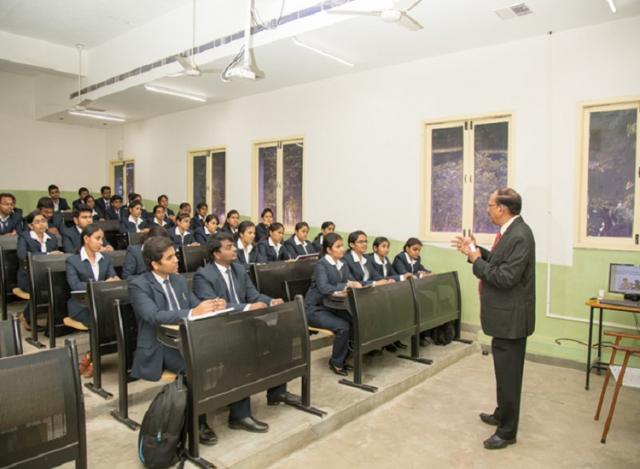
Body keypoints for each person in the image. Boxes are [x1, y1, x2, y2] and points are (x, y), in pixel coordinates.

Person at [451, 187, 535, 450]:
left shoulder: (520, 235)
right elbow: (499, 261)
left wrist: (476, 261)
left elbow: (505, 277)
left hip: (512, 320)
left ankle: (507, 432)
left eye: (489, 205)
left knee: (509, 377)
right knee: (503, 373)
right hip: (504, 318)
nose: (487, 209)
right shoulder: (510, 231)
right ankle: (502, 414)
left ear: (502, 208)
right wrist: (474, 251)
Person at [128, 236, 227, 445]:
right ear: (155, 264)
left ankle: (226, 404)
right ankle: (197, 423)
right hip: (160, 344)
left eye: (175, 255)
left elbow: (194, 305)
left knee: (224, 353)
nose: (176, 260)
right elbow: (153, 316)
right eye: (170, 258)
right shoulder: (138, 285)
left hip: (186, 339)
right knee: (195, 367)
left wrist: (211, 305)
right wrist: (192, 312)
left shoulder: (178, 280)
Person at [193, 234, 293, 426]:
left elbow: (253, 295)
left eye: (233, 246)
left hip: (244, 322)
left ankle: (277, 392)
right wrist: (247, 307)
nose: (234, 249)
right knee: (241, 348)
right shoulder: (203, 275)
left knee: (281, 333)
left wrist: (270, 301)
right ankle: (239, 415)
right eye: (229, 247)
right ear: (216, 254)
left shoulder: (238, 269)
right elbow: (215, 307)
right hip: (220, 327)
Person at [304, 233, 361, 375]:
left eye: (342, 246)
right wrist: (345, 286)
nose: (342, 249)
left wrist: (359, 284)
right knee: (343, 326)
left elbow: (350, 281)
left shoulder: (342, 264)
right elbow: (324, 288)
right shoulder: (321, 265)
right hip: (315, 309)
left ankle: (345, 357)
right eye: (338, 246)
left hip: (332, 306)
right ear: (329, 250)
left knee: (355, 320)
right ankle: (336, 362)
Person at [65, 224, 119, 328]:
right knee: (105, 319)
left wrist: (115, 281)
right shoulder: (72, 261)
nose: (101, 242)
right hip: (82, 305)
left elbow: (113, 278)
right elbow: (75, 285)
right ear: (86, 239)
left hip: (103, 303)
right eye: (97, 238)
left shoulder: (106, 258)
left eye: (102, 239)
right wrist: (102, 284)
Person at [16, 210, 63, 327]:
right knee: (43, 288)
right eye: (37, 222)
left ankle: (56, 323)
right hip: (28, 276)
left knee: (60, 287)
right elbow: (23, 256)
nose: (41, 224)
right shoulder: (24, 237)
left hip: (48, 275)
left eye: (43, 221)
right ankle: (26, 315)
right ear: (30, 226)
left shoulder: (52, 238)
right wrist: (47, 255)